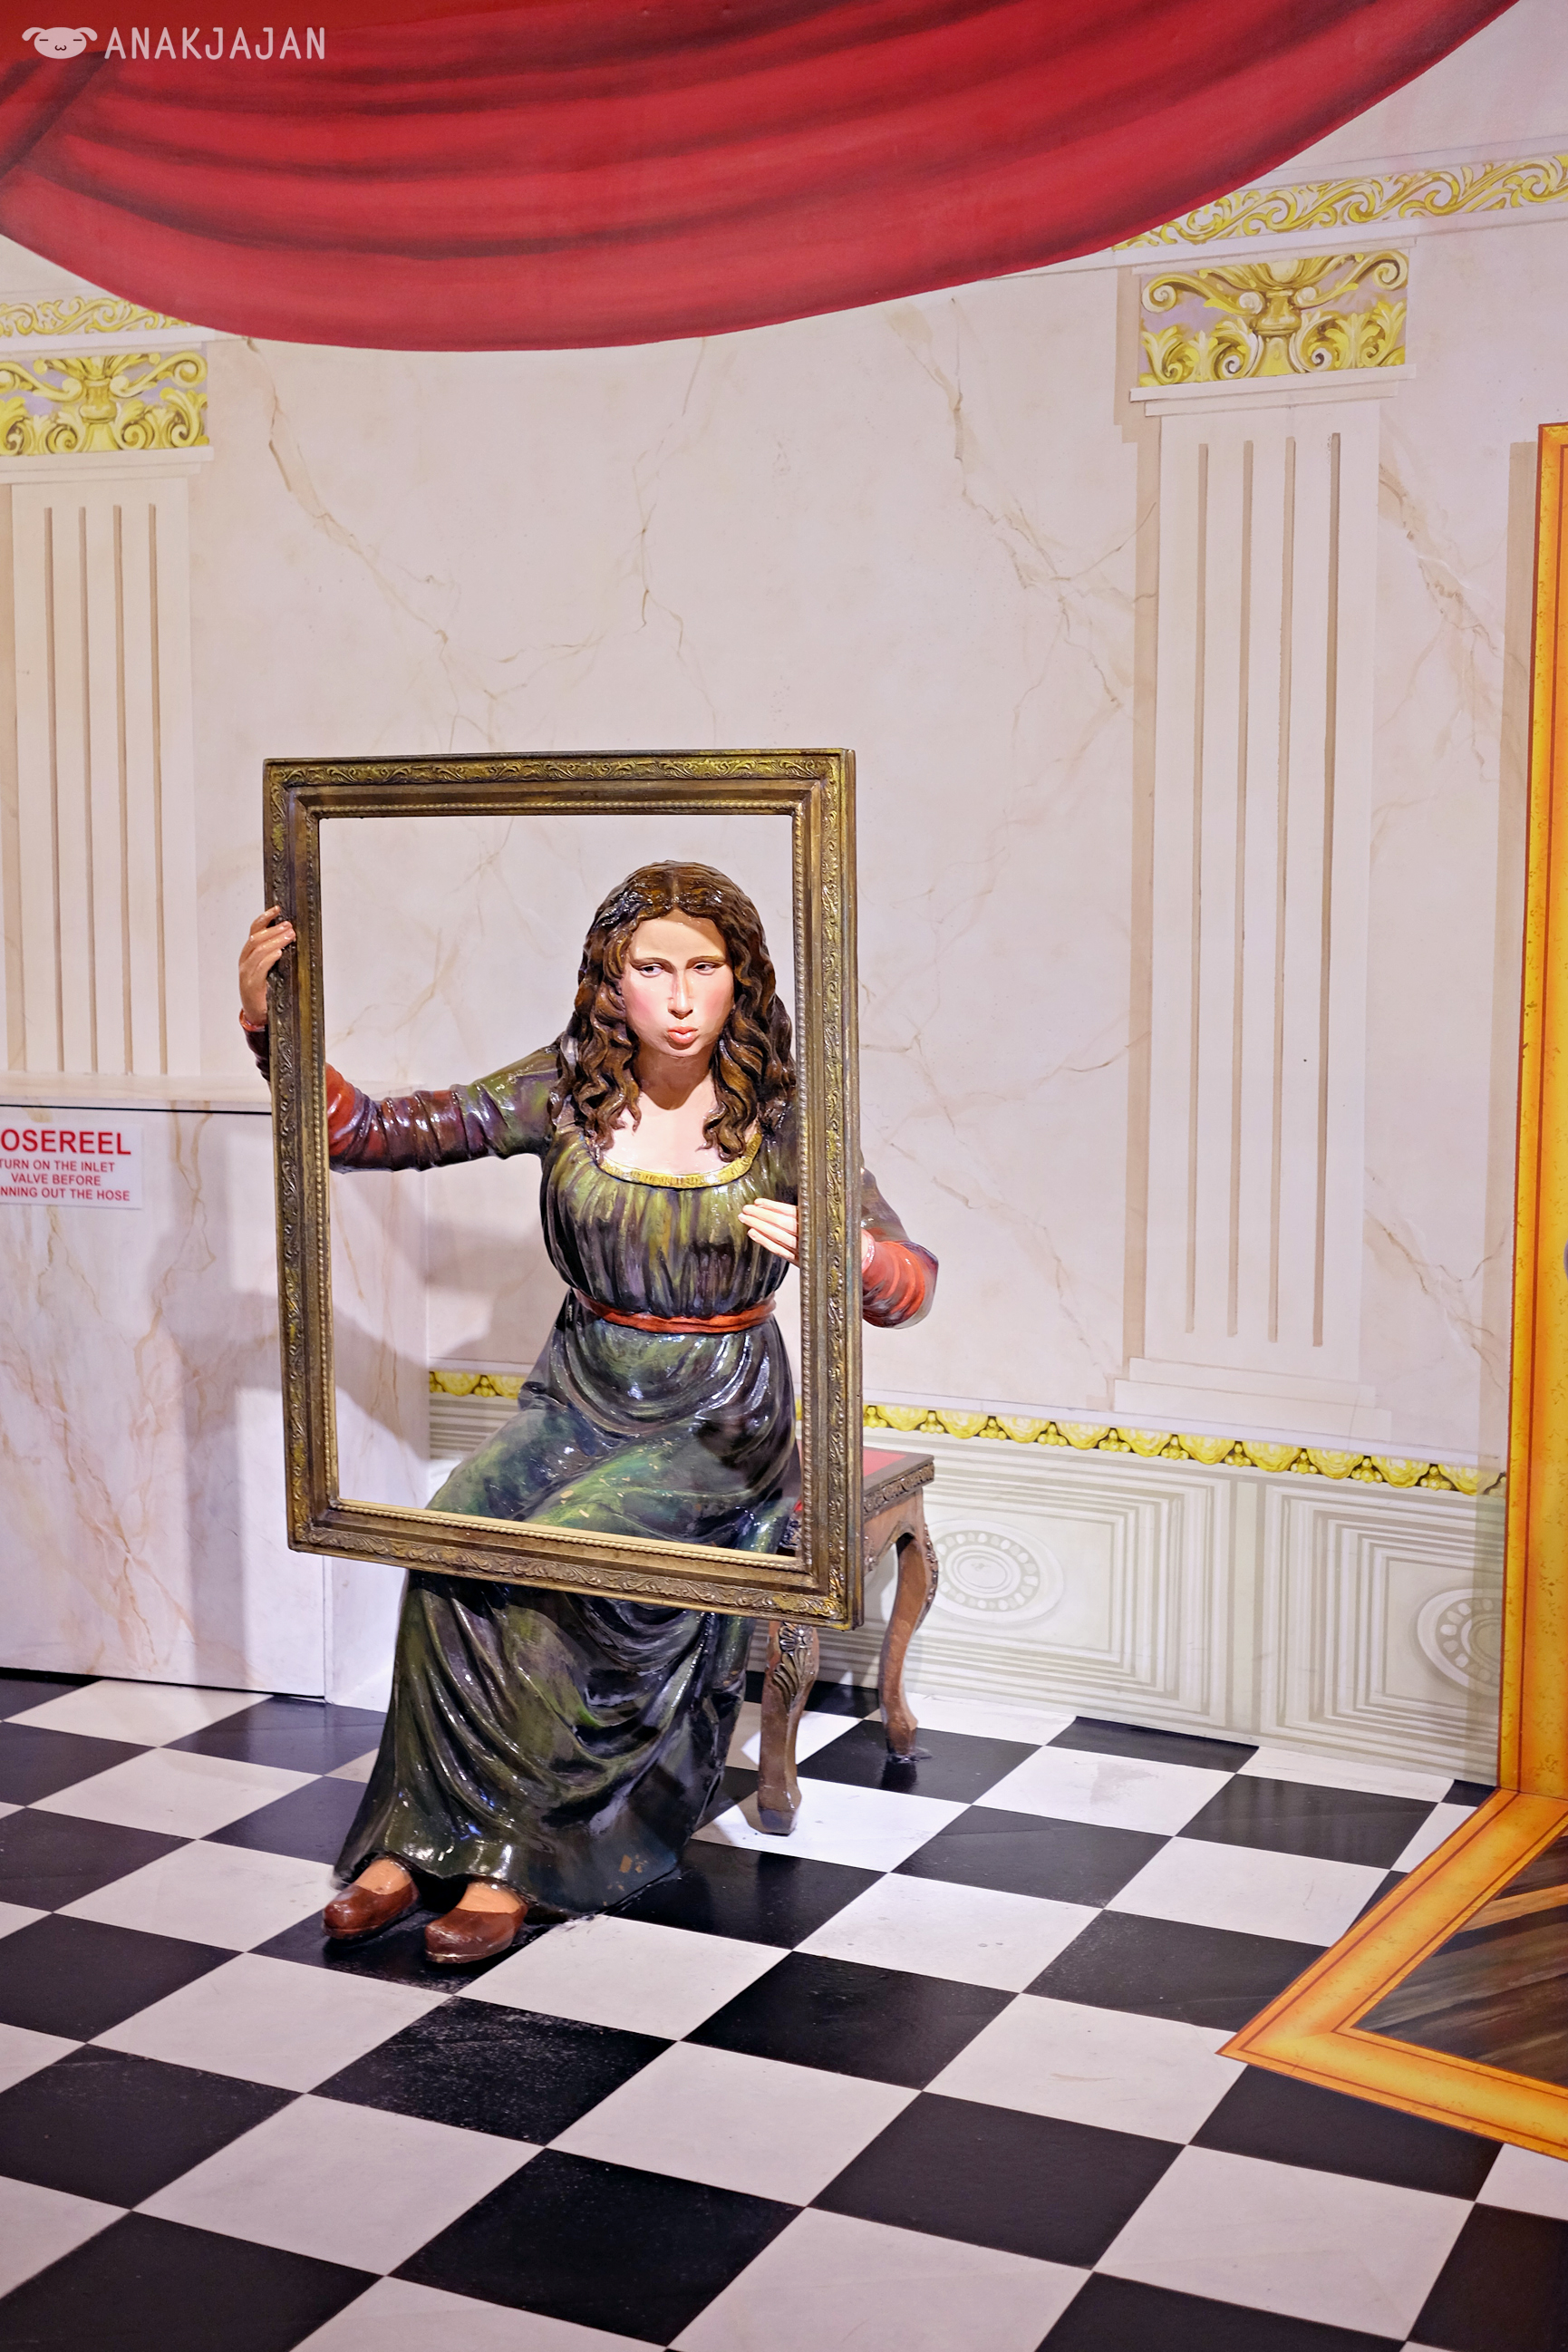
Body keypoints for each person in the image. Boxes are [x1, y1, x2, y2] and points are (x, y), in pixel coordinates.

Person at [239, 860, 935, 1964]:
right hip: (578, 1387)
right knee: (456, 1529)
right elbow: (368, 1132)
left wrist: (847, 1252)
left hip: (718, 1414)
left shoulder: (783, 1116)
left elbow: (909, 1283)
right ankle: (414, 1836)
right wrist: (269, 1024)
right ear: (610, 981)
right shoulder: (564, 1089)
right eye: (651, 968)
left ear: (741, 978)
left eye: (704, 967)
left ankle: (520, 1852)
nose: (678, 996)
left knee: (571, 1550)